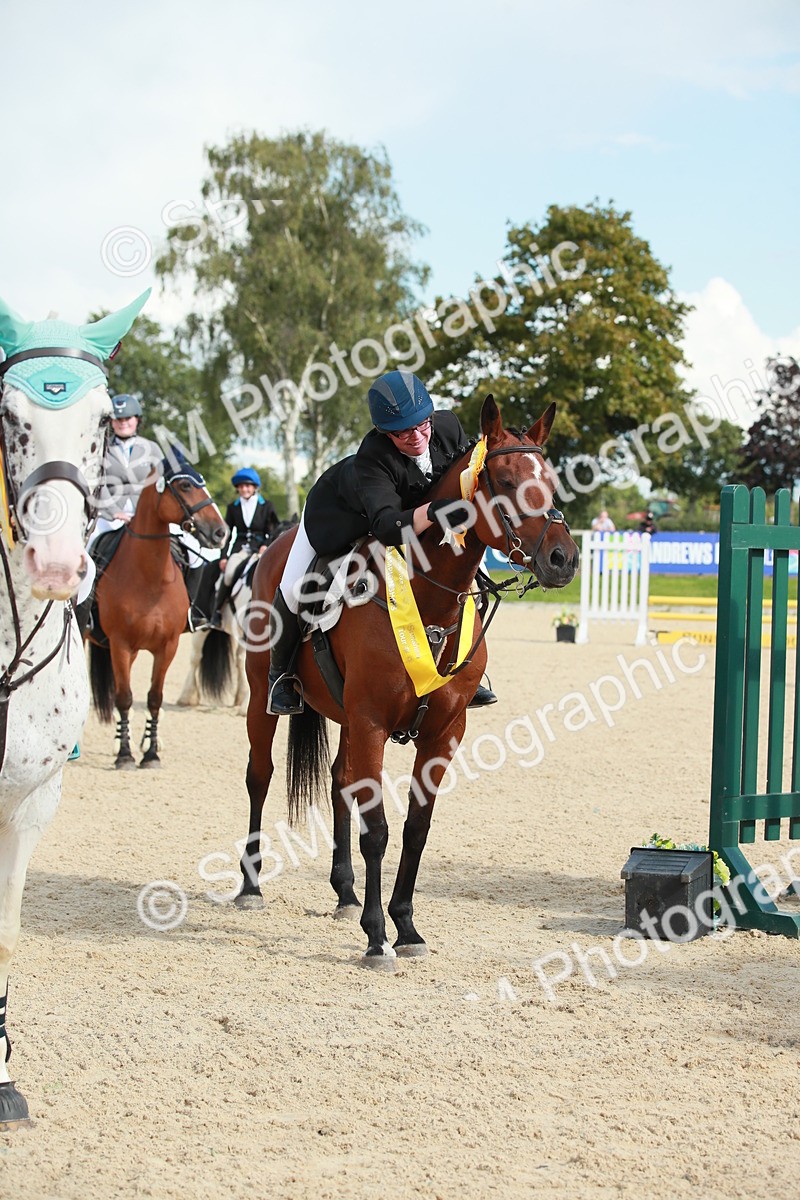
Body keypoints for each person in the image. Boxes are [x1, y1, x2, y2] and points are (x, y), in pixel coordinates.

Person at [267, 369, 497, 716]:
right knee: (295, 587)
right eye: (403, 433)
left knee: (467, 577)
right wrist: (434, 510)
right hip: (338, 519)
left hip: (406, 515)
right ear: (384, 433)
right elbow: (388, 528)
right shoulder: (373, 456)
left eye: (422, 426)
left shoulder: (446, 426)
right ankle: (280, 676)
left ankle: (461, 668)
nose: (417, 437)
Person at [209, 467, 279, 629]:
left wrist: (265, 546)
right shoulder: (233, 507)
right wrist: (224, 556)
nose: (244, 489)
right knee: (229, 575)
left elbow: (273, 531)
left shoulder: (267, 506)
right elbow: (227, 534)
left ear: (255, 487)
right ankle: (217, 612)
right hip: (240, 549)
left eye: (247, 486)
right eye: (241, 486)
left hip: (261, 549)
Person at [89, 394, 162, 544]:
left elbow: (162, 481)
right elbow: (99, 484)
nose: (123, 423)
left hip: (147, 513)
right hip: (110, 517)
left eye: (127, 419)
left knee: (183, 542)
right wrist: (115, 511)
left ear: (137, 420)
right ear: (112, 422)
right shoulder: (103, 449)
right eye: (118, 419)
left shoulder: (151, 448)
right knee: (90, 542)